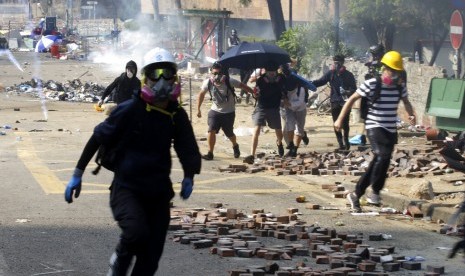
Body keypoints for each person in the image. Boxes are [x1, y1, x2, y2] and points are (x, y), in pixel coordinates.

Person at [64, 47, 201, 275]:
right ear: (146, 79)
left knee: (151, 257)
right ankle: (119, 260)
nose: (162, 80)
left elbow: (186, 146)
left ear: (174, 78)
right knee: (136, 233)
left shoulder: (176, 115)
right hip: (127, 189)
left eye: (167, 74)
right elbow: (98, 136)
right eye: (155, 74)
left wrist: (189, 175)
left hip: (158, 191)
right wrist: (77, 174)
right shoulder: (130, 109)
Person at [334, 51, 416, 212]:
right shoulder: (372, 83)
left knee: (380, 161)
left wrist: (411, 115)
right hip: (374, 126)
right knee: (383, 155)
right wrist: (340, 119)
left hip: (390, 129)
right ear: (384, 68)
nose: (394, 75)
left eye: (397, 72)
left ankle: (356, 194)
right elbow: (351, 99)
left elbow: (406, 102)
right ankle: (375, 192)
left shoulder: (399, 87)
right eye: (392, 71)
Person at [197, 62, 253, 160]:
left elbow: (243, 86)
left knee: (229, 133)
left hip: (229, 112)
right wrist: (198, 109)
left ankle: (235, 145)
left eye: (218, 74)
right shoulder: (208, 82)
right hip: (215, 111)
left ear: (222, 74)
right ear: (211, 73)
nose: (216, 76)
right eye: (214, 74)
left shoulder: (229, 81)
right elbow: (201, 94)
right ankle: (210, 153)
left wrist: (254, 92)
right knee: (211, 130)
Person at [243, 64, 286, 164]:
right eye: (269, 71)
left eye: (273, 71)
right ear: (265, 71)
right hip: (261, 107)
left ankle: (279, 143)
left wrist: (284, 98)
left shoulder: (281, 79)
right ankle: (252, 155)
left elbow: (283, 89)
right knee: (256, 130)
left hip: (274, 107)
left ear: (276, 71)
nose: (271, 73)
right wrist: (255, 93)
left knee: (278, 131)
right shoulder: (261, 80)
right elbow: (256, 92)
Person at [312, 55, 357, 150]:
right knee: (336, 123)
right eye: (335, 62)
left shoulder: (349, 75)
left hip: (345, 103)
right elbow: (321, 81)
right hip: (334, 101)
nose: (336, 64)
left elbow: (354, 89)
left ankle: (346, 141)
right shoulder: (331, 74)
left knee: (345, 123)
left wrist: (347, 92)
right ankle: (340, 144)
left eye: (338, 62)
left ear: (342, 63)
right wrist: (308, 83)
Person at [281, 63, 309, 157]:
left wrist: (288, 103)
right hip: (289, 109)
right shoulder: (284, 86)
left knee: (299, 129)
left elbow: (300, 102)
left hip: (300, 109)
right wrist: (283, 100)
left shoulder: (301, 88)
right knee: (289, 125)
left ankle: (295, 150)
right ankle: (291, 145)